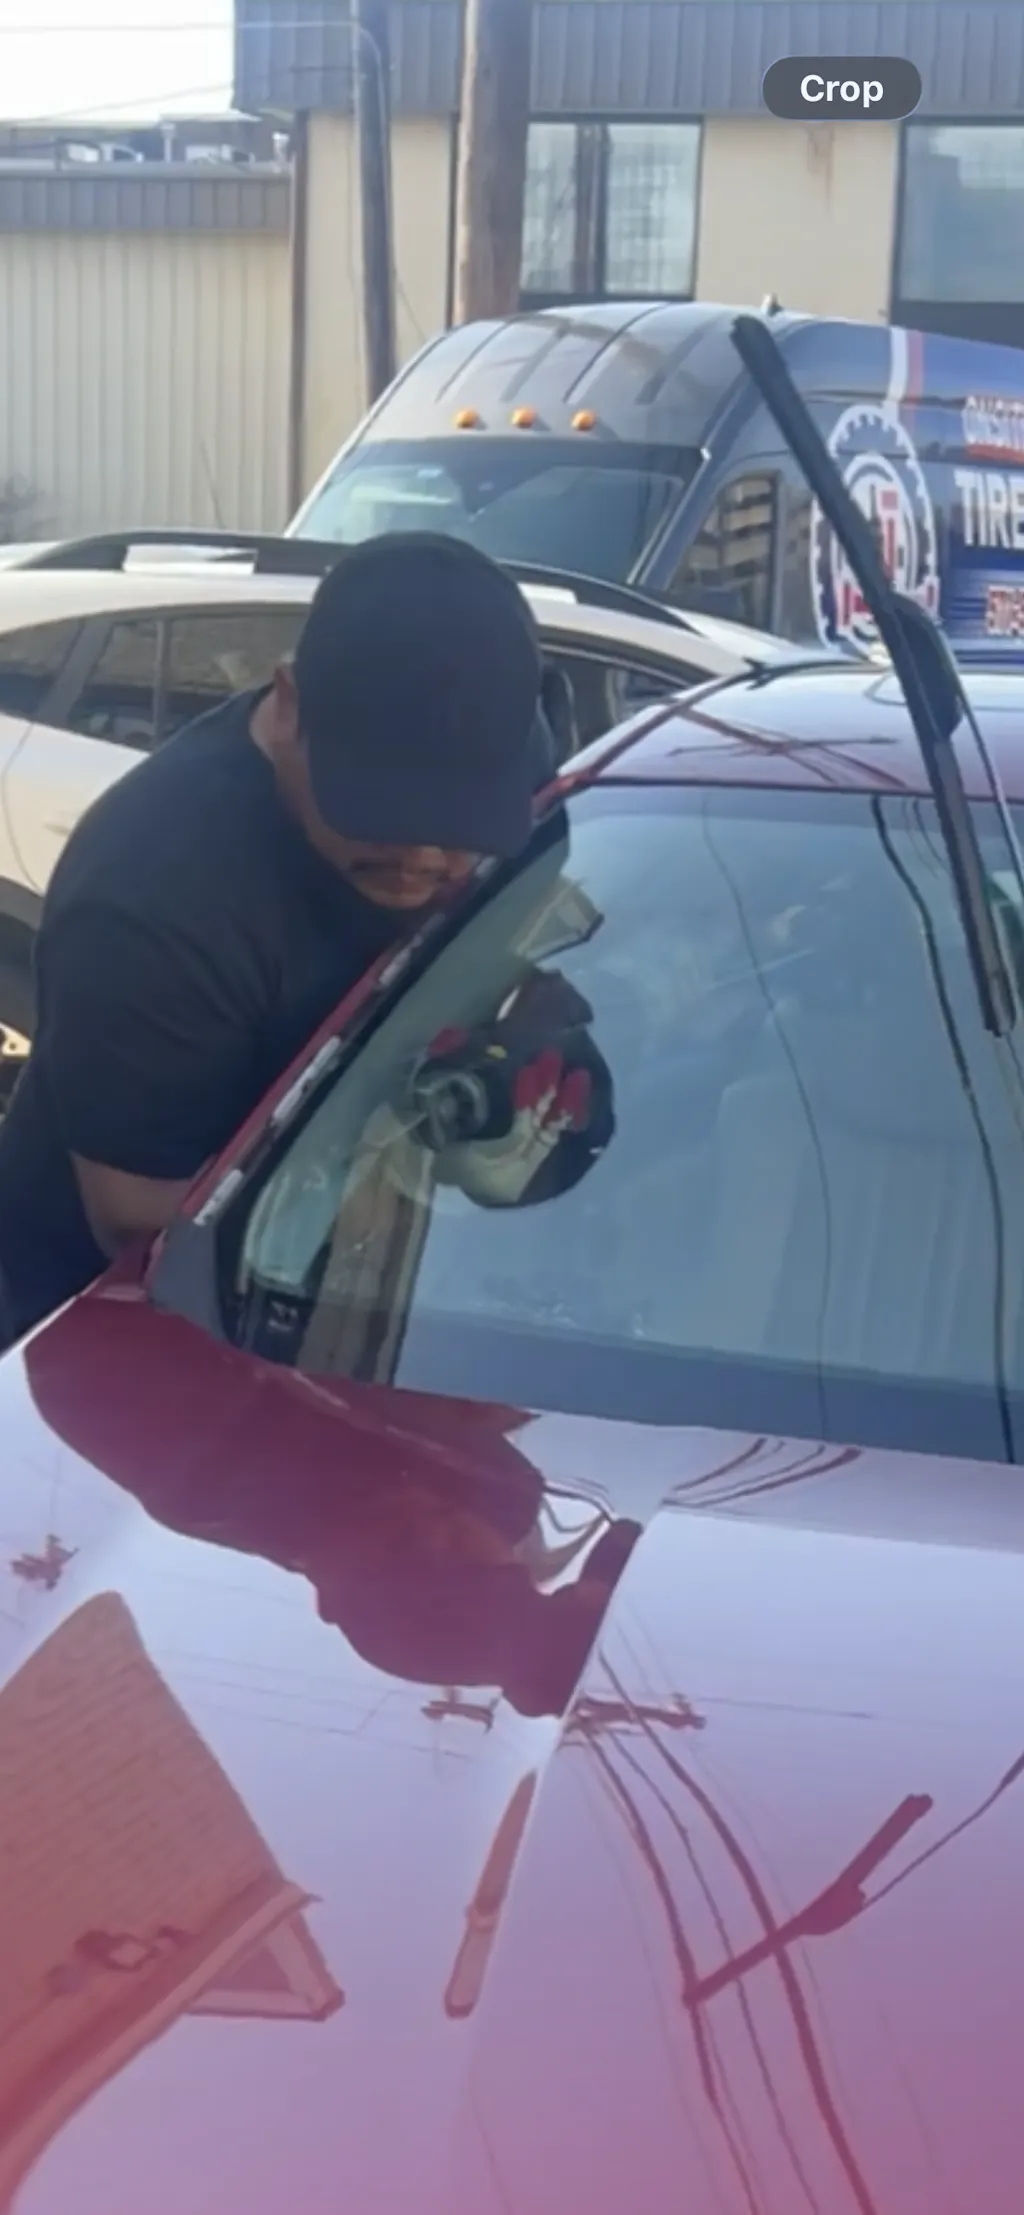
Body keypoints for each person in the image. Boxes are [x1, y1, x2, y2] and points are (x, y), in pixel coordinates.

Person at [0, 533, 551, 1346]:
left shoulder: (506, 747)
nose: (424, 856)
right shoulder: (157, 893)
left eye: (462, 822)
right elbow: (138, 1219)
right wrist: (384, 1194)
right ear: (289, 703)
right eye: (385, 809)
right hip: (112, 1337)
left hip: (371, 1317)